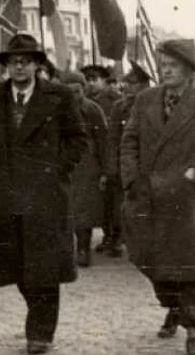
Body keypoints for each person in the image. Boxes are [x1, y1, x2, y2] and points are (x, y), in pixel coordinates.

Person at [121, 38, 195, 355]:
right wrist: (132, 178)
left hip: (186, 196)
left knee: (191, 265)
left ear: (189, 71)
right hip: (148, 196)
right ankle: (174, 307)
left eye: (172, 65)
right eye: (163, 65)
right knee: (151, 260)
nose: (165, 70)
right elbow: (129, 139)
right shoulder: (145, 100)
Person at [0, 33, 88, 355]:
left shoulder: (60, 96)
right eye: (13, 62)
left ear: (38, 65)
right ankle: (36, 313)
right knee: (16, 265)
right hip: (6, 195)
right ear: (6, 66)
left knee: (45, 266)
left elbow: (78, 141)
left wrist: (55, 171)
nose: (19, 67)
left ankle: (40, 331)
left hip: (46, 196)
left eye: (26, 61)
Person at [60, 72, 107, 267]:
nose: (74, 96)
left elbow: (103, 141)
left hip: (87, 164)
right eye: (69, 92)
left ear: (84, 89)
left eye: (77, 91)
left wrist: (105, 170)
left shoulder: (92, 109)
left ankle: (83, 250)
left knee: (84, 210)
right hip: (63, 163)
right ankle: (65, 251)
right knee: (64, 208)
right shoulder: (56, 109)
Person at [105, 61, 152, 257]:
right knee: (122, 206)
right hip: (126, 162)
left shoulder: (154, 104)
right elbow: (113, 139)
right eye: (127, 83)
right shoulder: (119, 107)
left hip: (149, 164)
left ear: (143, 84)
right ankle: (119, 239)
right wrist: (111, 168)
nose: (127, 87)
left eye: (132, 83)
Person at [80, 64, 121, 254]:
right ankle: (107, 235)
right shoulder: (85, 102)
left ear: (104, 81)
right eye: (87, 79)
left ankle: (116, 237)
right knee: (101, 201)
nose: (91, 83)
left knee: (114, 200)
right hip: (96, 158)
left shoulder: (114, 100)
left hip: (113, 154)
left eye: (94, 79)